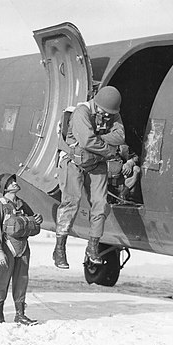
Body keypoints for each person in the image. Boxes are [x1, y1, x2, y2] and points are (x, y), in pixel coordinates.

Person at [53, 86, 125, 268]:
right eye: (104, 112)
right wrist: (108, 149)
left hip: (96, 162)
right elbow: (86, 140)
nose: (107, 116)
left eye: (111, 114)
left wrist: (97, 142)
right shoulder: (81, 112)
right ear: (96, 103)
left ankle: (93, 247)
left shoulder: (112, 112)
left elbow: (120, 136)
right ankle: (59, 249)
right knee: (71, 203)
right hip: (74, 162)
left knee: (101, 205)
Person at [0, 173, 43, 326]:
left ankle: (20, 314)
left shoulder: (22, 204)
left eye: (14, 181)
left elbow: (33, 220)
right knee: (2, 281)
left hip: (23, 247)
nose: (14, 183)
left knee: (21, 280)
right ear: (4, 188)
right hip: (6, 248)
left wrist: (37, 219)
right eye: (10, 182)